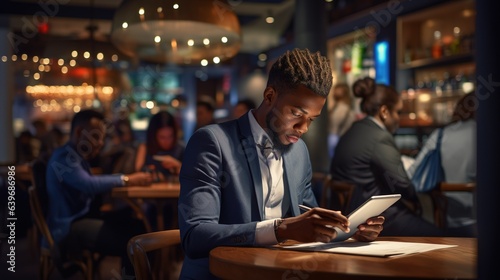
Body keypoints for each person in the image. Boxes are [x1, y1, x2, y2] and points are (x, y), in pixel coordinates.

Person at [178, 49, 386, 279]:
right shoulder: (212, 142)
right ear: (269, 96)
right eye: (296, 114)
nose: (304, 128)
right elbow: (195, 236)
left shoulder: (299, 152)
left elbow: (307, 219)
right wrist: (279, 229)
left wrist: (347, 232)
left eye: (311, 120)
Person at [330, 77, 445, 237]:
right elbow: (403, 183)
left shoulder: (353, 130)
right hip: (375, 220)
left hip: (350, 213)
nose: (399, 118)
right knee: (443, 236)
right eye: (398, 112)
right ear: (384, 112)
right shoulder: (379, 136)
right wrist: (416, 199)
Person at [45, 109, 153, 275]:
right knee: (134, 242)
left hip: (81, 220)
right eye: (96, 137)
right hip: (67, 230)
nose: (101, 143)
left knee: (137, 225)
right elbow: (88, 184)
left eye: (102, 137)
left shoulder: (74, 156)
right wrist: (127, 179)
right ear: (79, 132)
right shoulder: (64, 158)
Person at [407, 92, 477, 236]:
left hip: (447, 222)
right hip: (484, 222)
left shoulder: (440, 135)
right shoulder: (488, 133)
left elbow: (412, 174)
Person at [135, 110, 184, 180]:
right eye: (162, 137)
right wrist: (149, 172)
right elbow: (137, 171)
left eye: (170, 136)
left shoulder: (181, 149)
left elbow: (193, 176)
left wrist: (178, 165)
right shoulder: (145, 147)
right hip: (150, 190)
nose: (167, 141)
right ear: (154, 136)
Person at [328, 83, 356, 157]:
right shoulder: (344, 108)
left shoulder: (341, 109)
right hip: (340, 139)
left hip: (337, 138)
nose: (333, 92)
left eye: (336, 90)